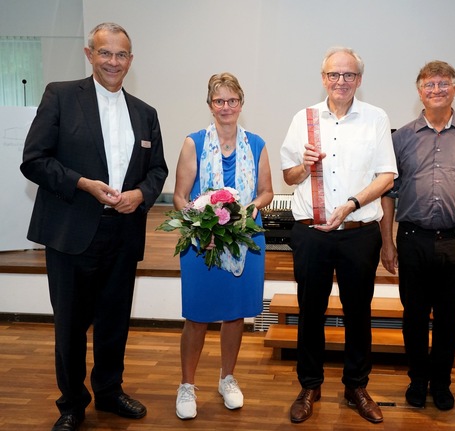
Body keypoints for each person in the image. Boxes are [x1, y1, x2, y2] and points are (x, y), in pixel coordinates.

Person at [20, 22, 168, 431]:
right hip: (71, 233)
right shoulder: (61, 96)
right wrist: (82, 184)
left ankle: (108, 390)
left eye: (121, 55)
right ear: (90, 55)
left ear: (131, 61)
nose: (113, 62)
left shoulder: (145, 112)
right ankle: (71, 403)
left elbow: (157, 170)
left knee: (114, 320)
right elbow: (33, 160)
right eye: (105, 53)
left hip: (122, 233)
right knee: (69, 324)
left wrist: (141, 195)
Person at [280, 46, 397, 424]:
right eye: (334, 75)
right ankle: (310, 385)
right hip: (311, 233)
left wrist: (351, 203)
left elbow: (386, 176)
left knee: (358, 312)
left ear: (359, 80)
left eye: (348, 75)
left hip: (358, 231)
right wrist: (304, 164)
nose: (341, 81)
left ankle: (356, 386)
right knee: (310, 311)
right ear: (323, 78)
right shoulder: (305, 118)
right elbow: (289, 176)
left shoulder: (376, 118)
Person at [380, 60, 455, 411]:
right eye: (429, 85)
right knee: (414, 317)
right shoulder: (401, 137)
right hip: (412, 239)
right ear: (419, 91)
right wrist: (387, 241)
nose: (436, 90)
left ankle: (442, 383)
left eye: (443, 84)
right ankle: (417, 381)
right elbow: (388, 192)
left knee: (449, 318)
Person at [172, 72, 273, 420]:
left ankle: (227, 378)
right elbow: (180, 196)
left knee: (235, 314)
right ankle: (187, 385)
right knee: (197, 315)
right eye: (219, 101)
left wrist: (250, 209)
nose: (226, 107)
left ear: (241, 104)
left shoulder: (257, 144)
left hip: (245, 238)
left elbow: (266, 192)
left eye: (232, 100)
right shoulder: (193, 143)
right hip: (203, 242)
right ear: (210, 105)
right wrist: (202, 222)